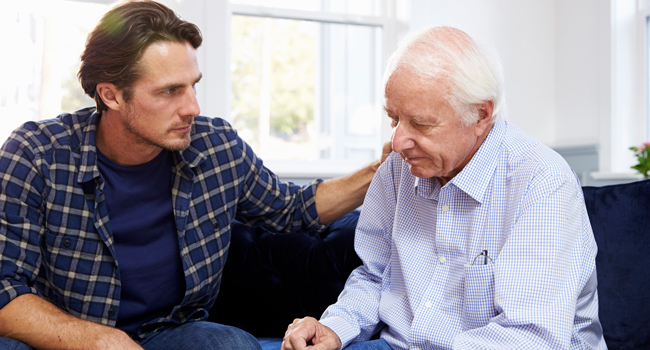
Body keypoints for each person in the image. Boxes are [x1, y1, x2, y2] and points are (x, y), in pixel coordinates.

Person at [0, 1, 389, 349]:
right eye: (170, 91)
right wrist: (100, 340)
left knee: (230, 345)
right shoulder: (37, 154)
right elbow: (5, 290)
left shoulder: (214, 145)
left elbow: (292, 208)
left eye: (193, 86)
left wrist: (383, 167)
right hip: (66, 335)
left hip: (169, 331)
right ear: (111, 95)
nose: (193, 107)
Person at [282, 26, 607, 350]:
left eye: (420, 124)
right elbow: (375, 278)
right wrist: (335, 328)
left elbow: (530, 337)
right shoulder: (398, 168)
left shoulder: (542, 182)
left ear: (481, 114)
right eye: (393, 118)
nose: (397, 142)